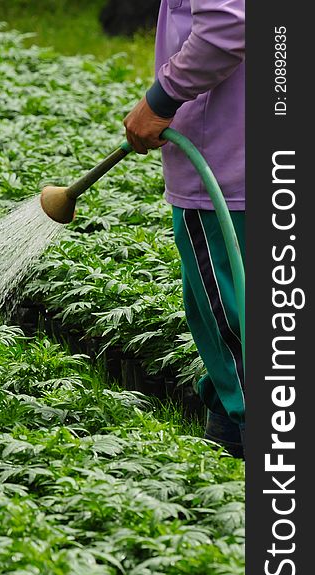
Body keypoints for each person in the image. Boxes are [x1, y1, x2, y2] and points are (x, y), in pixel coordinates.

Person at [122, 0, 246, 458]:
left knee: (234, 330)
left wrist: (159, 99)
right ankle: (228, 437)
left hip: (226, 168)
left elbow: (226, 25)